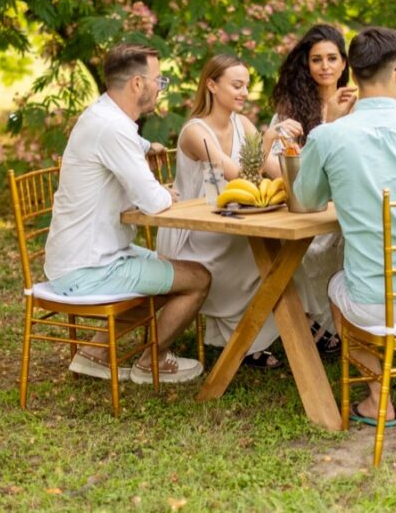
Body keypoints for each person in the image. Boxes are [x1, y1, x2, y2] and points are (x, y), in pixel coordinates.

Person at [294, 27, 396, 426]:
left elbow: (308, 200)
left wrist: (328, 124)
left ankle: (376, 397)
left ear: (351, 73)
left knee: (335, 285)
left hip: (371, 303)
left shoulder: (328, 137)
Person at [44, 43, 211, 384]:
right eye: (158, 81)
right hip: (89, 269)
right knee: (198, 278)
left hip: (79, 257)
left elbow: (128, 143)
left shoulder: (102, 116)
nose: (159, 88)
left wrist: (149, 147)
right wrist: (163, 191)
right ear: (138, 84)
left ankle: (94, 353)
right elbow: (152, 202)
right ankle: (152, 362)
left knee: (168, 265)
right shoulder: (113, 129)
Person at [157, 55, 283, 368]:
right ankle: (247, 338)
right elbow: (239, 175)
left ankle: (249, 337)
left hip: (231, 223)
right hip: (194, 234)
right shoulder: (194, 132)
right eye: (237, 85)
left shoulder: (243, 123)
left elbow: (271, 169)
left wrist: (301, 176)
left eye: (247, 86)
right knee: (270, 256)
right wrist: (267, 141)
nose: (244, 93)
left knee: (283, 253)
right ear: (212, 85)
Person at [261, 25, 358, 356]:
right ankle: (307, 323)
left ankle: (344, 324)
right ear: (307, 64)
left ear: (344, 63)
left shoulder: (358, 105)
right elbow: (274, 167)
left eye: (332, 58)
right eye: (317, 60)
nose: (325, 66)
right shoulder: (291, 110)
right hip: (306, 204)